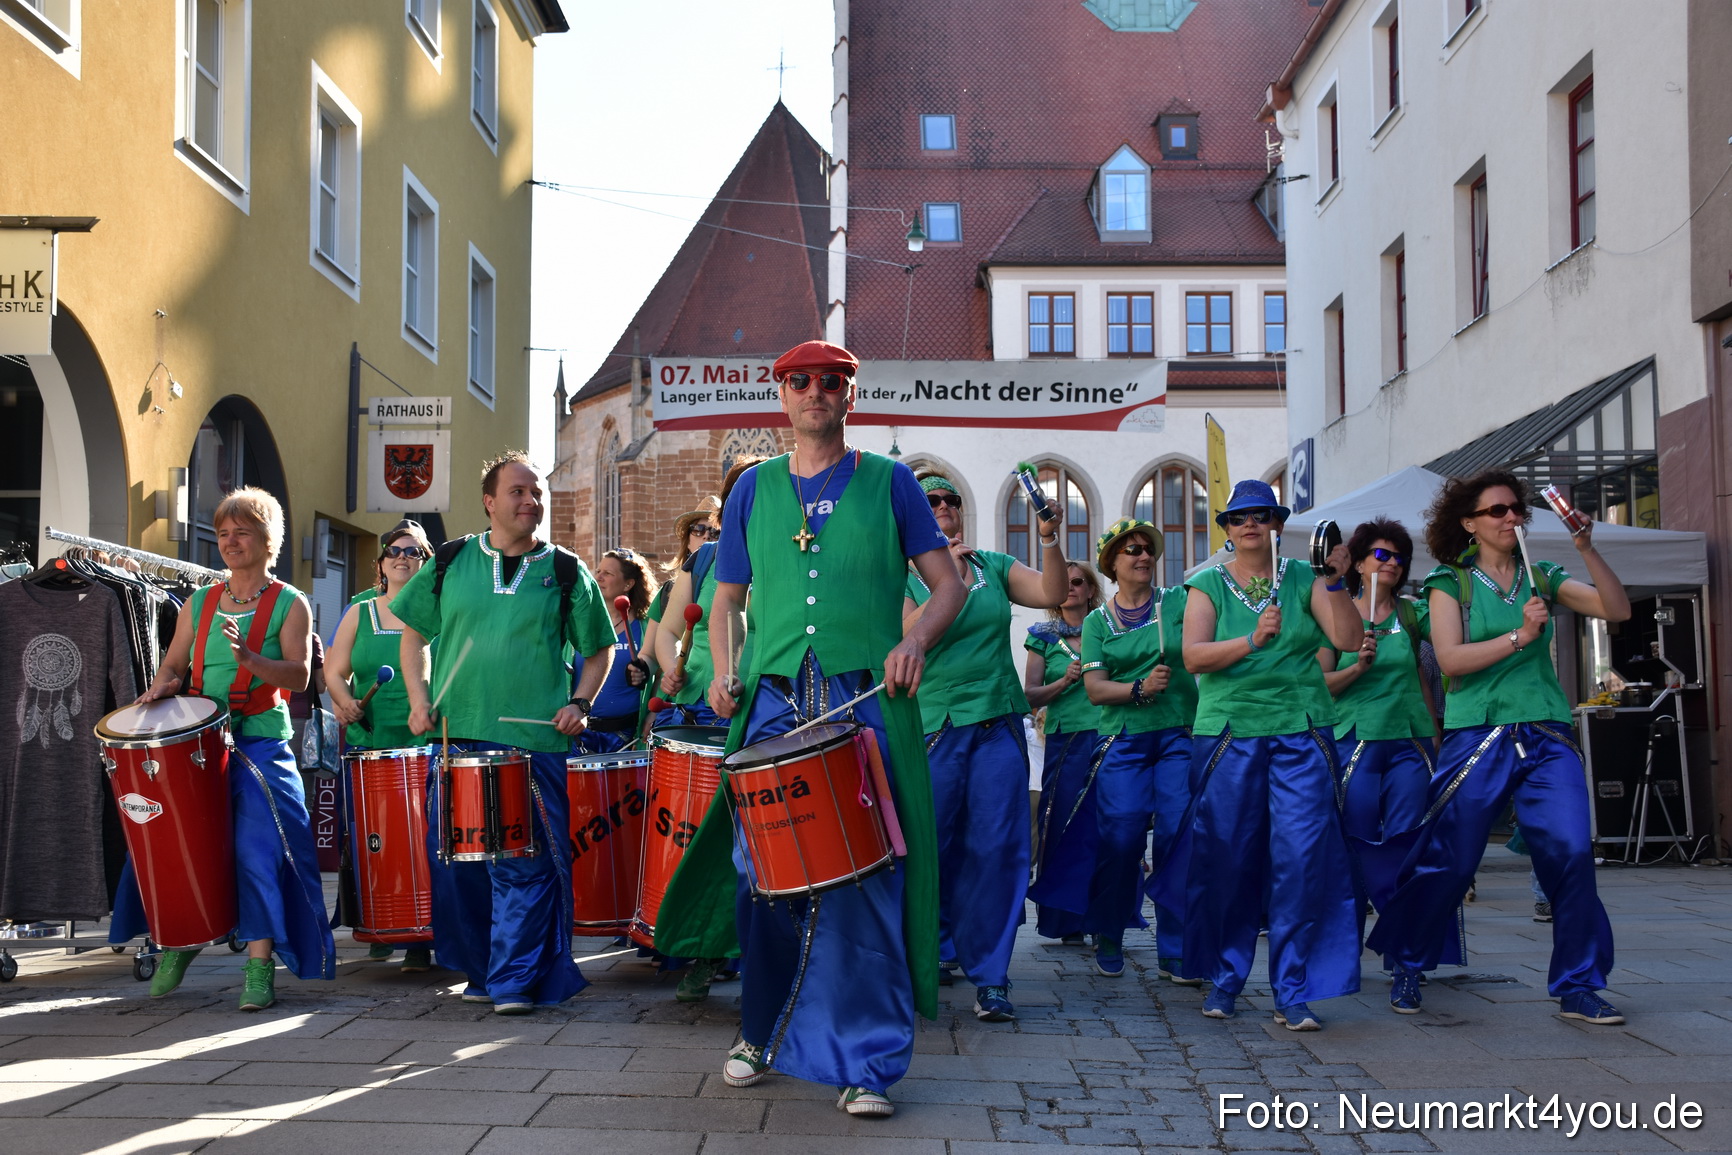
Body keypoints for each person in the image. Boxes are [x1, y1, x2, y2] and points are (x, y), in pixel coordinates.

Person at [654, 339, 963, 1118]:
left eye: (831, 381)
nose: (815, 391)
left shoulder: (892, 483)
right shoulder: (754, 489)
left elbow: (948, 585)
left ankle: (867, 1059)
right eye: (800, 381)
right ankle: (759, 1031)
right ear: (781, 396)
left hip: (865, 702)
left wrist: (914, 639)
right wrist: (723, 669)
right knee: (763, 872)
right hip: (773, 702)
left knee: (866, 873)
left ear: (850, 395)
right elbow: (726, 600)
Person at [1367, 470, 1631, 1022]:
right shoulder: (1448, 584)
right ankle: (1409, 962)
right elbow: (1452, 661)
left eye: (1516, 509)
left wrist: (1588, 547)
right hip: (1477, 733)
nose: (1512, 517)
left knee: (1572, 855)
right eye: (1498, 511)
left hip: (1546, 730)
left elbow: (1617, 610)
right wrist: (1520, 637)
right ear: (1470, 523)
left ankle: (1578, 984)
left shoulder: (1544, 575)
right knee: (1451, 861)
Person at [396, 451, 617, 1014]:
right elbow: (415, 637)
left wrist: (580, 702)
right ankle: (485, 969)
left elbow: (599, 651)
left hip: (534, 744)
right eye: (518, 491)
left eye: (536, 492)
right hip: (455, 738)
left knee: (527, 865)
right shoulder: (447, 562)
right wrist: (420, 699)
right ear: (490, 501)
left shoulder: (566, 571)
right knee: (458, 868)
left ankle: (515, 977)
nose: (530, 501)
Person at [127, 487, 334, 1009]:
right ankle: (185, 937)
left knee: (258, 852)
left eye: (242, 532)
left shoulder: (291, 602)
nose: (230, 541)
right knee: (178, 846)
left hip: (261, 743)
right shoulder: (197, 603)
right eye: (222, 533)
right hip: (196, 745)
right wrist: (165, 685)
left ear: (269, 541)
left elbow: (300, 674)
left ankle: (259, 966)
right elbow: (173, 664)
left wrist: (250, 659)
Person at [1173, 479, 1364, 1031]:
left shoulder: (1305, 578)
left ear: (1277, 524)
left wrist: (1336, 579)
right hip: (1230, 732)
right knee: (1230, 859)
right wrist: (1252, 641)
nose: (1250, 524)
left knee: (1302, 861)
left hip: (1302, 730)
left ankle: (1294, 988)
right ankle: (1225, 976)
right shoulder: (1205, 583)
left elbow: (1349, 639)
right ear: (1227, 530)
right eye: (1238, 518)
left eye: (1261, 515)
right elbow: (1193, 657)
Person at [902, 471, 1067, 1022]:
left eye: (951, 498)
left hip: (998, 720)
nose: (944, 506)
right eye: (932, 500)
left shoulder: (990, 565)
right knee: (934, 848)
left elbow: (1053, 593)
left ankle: (992, 975)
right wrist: (943, 575)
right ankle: (935, 949)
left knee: (999, 849)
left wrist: (1047, 537)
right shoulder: (899, 575)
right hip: (935, 725)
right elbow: (915, 634)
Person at [1068, 520, 1198, 981]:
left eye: (1147, 549)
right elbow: (1096, 690)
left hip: (1178, 736)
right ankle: (1108, 928)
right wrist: (1139, 688)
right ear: (1111, 564)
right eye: (1131, 551)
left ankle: (1177, 944)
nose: (1143, 556)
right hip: (1121, 740)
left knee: (1176, 836)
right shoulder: (1096, 622)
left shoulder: (1179, 603)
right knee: (1121, 841)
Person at [1314, 519, 1438, 958]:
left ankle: (1405, 958)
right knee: (1355, 849)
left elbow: (1421, 677)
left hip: (1410, 741)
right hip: (1355, 742)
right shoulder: (1333, 609)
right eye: (1381, 555)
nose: (1392, 563)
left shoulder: (1411, 613)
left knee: (1407, 848)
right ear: (1359, 561)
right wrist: (1356, 668)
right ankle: (1343, 951)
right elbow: (1320, 684)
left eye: (1399, 557)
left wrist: (1437, 742)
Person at [326, 519, 436, 972]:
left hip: (424, 736)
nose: (403, 557)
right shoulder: (360, 611)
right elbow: (334, 672)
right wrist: (345, 701)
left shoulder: (440, 610)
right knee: (375, 838)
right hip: (371, 739)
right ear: (381, 563)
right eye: (395, 550)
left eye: (414, 551)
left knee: (421, 838)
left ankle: (420, 935)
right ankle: (376, 920)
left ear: (426, 563)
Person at [1024, 562, 1104, 946]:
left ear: (1091, 589)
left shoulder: (1108, 626)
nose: (1070, 588)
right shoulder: (1041, 636)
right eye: (1065, 582)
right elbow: (1030, 695)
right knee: (1062, 825)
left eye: (1078, 582)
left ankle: (1105, 917)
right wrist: (1063, 681)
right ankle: (1065, 921)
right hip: (1065, 740)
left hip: (1108, 735)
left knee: (1109, 828)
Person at [655, 463, 762, 729]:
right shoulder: (704, 558)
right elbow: (668, 631)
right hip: (698, 706)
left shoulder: (791, 558)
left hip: (766, 707)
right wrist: (672, 669)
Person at [574, 547, 658, 754]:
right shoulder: (579, 624)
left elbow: (664, 675)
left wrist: (654, 714)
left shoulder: (647, 627)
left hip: (627, 737)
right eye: (598, 571)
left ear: (628, 584)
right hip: (579, 736)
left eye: (608, 573)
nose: (598, 577)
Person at [635, 509, 719, 697]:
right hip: (670, 697)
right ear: (687, 540)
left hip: (716, 693)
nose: (706, 535)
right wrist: (641, 669)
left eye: (715, 532)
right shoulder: (666, 593)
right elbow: (649, 654)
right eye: (698, 529)